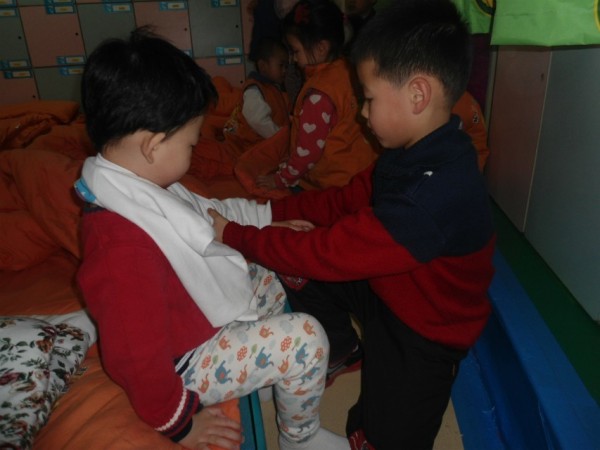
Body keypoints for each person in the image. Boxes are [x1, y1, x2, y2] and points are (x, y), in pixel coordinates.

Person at [208, 1, 496, 448]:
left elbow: (332, 252)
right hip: (390, 288)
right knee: (296, 253)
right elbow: (344, 201)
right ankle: (342, 349)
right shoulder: (407, 152)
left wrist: (237, 236)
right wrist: (273, 215)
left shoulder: (435, 196)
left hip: (425, 331)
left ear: (417, 95)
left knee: (380, 437)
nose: (362, 113)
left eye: (369, 99)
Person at [75, 27, 350, 450]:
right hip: (183, 362)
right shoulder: (120, 248)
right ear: (152, 145)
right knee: (307, 339)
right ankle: (301, 438)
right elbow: (135, 359)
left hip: (197, 313)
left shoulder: (138, 184)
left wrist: (267, 224)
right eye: (190, 143)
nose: (193, 151)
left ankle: (266, 374)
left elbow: (212, 214)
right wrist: (181, 424)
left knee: (275, 267)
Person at [256, 0, 379, 193]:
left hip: (332, 185)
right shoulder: (348, 69)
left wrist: (280, 179)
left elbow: (308, 154)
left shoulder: (319, 95)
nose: (293, 59)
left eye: (296, 51)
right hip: (360, 173)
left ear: (321, 48)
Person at [223, 37, 290, 156]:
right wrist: (281, 137)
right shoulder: (254, 90)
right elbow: (258, 120)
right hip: (252, 147)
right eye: (281, 65)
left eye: (286, 66)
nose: (285, 70)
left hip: (267, 142)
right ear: (263, 66)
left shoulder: (271, 87)